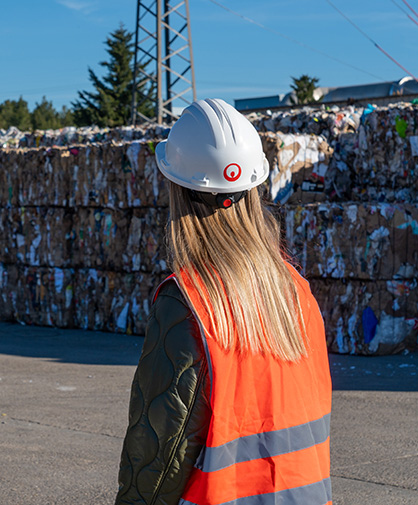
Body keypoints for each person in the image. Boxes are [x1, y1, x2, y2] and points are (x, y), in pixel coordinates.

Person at [115, 99, 332, 505]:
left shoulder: (190, 303)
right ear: (254, 189)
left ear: (177, 189)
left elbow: (160, 455)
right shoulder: (295, 291)